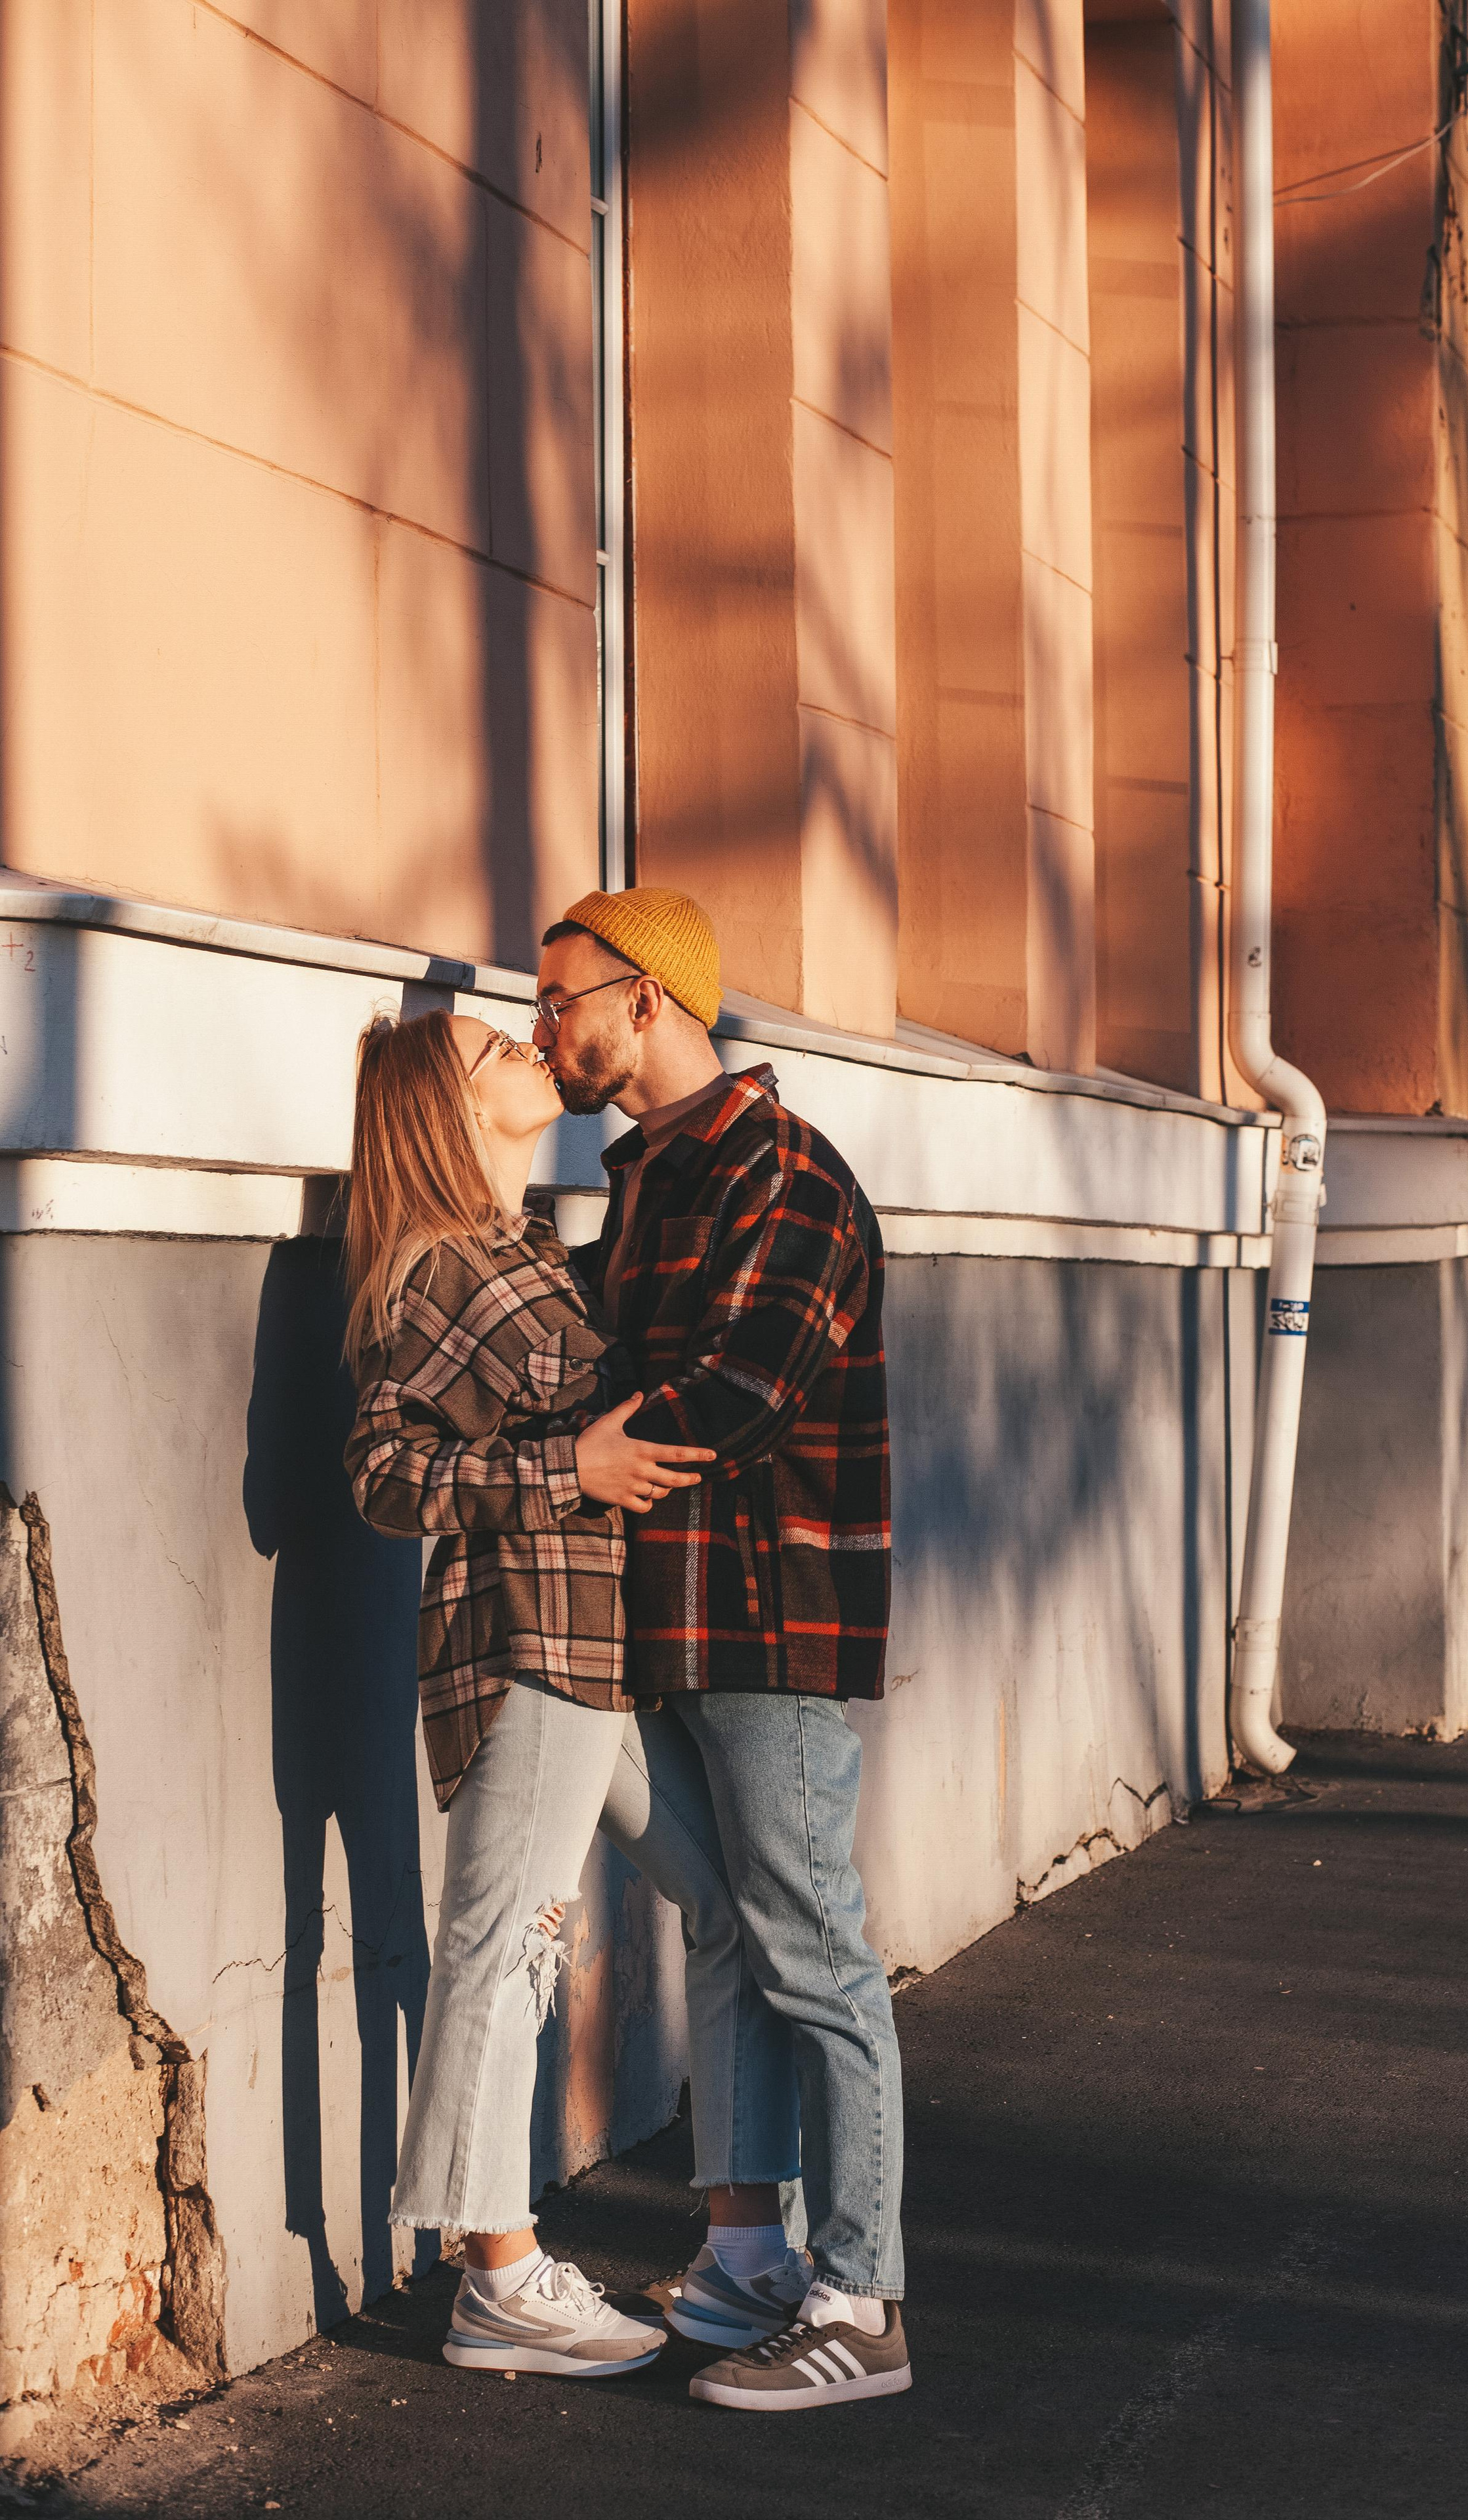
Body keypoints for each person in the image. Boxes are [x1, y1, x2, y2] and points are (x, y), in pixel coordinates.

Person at [343, 1007, 790, 2378]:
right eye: (497, 1051)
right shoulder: (430, 1271)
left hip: (608, 1657)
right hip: (527, 1645)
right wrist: (564, 1474)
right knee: (508, 1943)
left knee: (727, 1907)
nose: (532, 1050)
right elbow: (379, 1478)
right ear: (447, 1109)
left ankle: (748, 2240)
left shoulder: (536, 1252)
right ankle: (495, 2273)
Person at [534, 886, 910, 2412]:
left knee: (813, 1943)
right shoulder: (647, 1181)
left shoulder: (784, 1175)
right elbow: (612, 1369)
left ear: (649, 1001)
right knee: (727, 1925)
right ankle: (748, 2248)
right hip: (667, 1614)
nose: (541, 1028)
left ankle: (863, 2297)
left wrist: (587, 1446)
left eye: (561, 1000)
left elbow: (741, 1391)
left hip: (768, 1619)